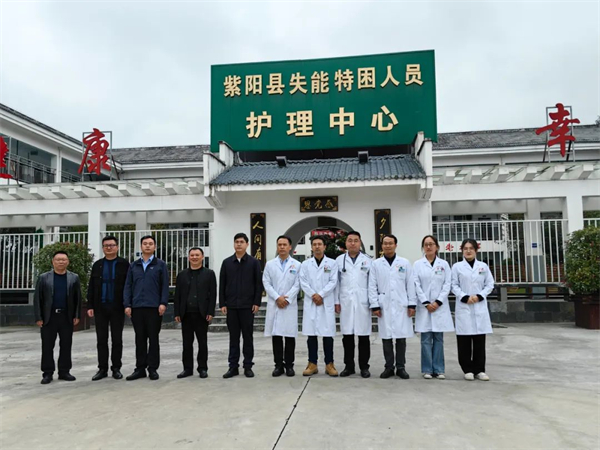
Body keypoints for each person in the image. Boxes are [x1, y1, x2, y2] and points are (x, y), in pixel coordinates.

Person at [368, 234, 416, 379]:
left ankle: (401, 367)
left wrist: (412, 304)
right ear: (382, 246)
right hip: (384, 305)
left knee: (401, 339)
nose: (388, 246)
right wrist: (375, 305)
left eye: (390, 243)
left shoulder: (404, 263)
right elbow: (372, 285)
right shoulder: (376, 264)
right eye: (385, 243)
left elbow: (410, 284)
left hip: (401, 305)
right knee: (386, 338)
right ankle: (389, 367)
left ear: (396, 245)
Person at [123, 235, 169, 381]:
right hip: (137, 307)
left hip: (154, 307)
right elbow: (128, 286)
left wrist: (163, 303)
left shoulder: (160, 265)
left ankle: (153, 368)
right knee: (140, 339)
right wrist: (127, 304)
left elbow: (164, 285)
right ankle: (140, 368)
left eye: (150, 243)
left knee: (153, 339)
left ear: (155, 247)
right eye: (145, 243)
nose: (147, 246)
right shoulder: (134, 265)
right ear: (141, 246)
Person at [34, 250, 81, 384]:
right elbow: (38, 299)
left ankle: (64, 371)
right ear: (53, 262)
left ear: (68, 262)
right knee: (47, 346)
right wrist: (38, 317)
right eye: (58, 259)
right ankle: (47, 372)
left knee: (66, 344)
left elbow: (78, 298)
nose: (61, 262)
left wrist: (77, 315)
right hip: (49, 317)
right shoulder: (44, 277)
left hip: (66, 316)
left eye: (63, 259)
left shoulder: (74, 278)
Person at [220, 233, 263, 378]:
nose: (239, 244)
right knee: (233, 338)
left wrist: (256, 302)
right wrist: (222, 303)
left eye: (242, 242)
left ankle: (248, 366)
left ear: (247, 244)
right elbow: (222, 284)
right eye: (236, 242)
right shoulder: (227, 263)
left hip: (247, 306)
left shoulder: (253, 262)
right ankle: (233, 367)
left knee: (247, 337)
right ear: (234, 244)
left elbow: (258, 284)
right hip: (231, 306)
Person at [87, 236, 130, 381]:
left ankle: (116, 368)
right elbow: (91, 286)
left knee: (117, 339)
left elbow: (128, 285)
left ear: (117, 247)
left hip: (117, 307)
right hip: (100, 307)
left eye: (112, 245)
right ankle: (102, 369)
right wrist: (90, 305)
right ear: (103, 248)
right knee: (101, 339)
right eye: (106, 246)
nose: (109, 248)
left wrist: (127, 304)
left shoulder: (124, 264)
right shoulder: (98, 265)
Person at [451, 238, 495, 381]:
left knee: (479, 340)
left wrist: (480, 296)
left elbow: (490, 284)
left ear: (476, 250)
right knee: (464, 340)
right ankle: (467, 369)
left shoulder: (483, 266)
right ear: (462, 250)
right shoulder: (457, 267)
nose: (468, 251)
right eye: (465, 248)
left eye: (471, 248)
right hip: (464, 305)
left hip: (478, 305)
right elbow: (453, 285)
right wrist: (464, 297)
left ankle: (479, 369)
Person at [413, 235, 454, 380]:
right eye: (426, 244)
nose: (429, 247)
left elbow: (447, 284)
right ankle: (427, 369)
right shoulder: (417, 264)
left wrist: (438, 302)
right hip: (424, 307)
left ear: (437, 246)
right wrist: (425, 302)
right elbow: (416, 284)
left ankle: (439, 369)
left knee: (438, 339)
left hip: (439, 307)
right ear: (423, 247)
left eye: (431, 244)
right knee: (425, 339)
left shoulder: (444, 264)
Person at [174, 247, 217, 379]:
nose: (194, 257)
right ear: (189, 257)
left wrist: (210, 312)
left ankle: (202, 368)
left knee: (202, 343)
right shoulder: (182, 275)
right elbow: (177, 295)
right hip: (186, 314)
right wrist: (177, 312)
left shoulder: (209, 274)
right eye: (192, 255)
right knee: (187, 343)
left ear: (202, 257)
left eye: (197, 255)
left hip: (201, 314)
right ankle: (187, 369)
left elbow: (213, 294)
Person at [335, 231, 373, 378]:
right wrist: (337, 302)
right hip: (346, 302)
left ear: (360, 243)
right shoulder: (339, 261)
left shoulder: (368, 260)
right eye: (350, 240)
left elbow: (372, 284)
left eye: (355, 240)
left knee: (363, 336)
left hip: (363, 302)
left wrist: (373, 302)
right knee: (347, 337)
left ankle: (364, 367)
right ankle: (349, 366)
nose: (352, 243)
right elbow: (336, 283)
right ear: (346, 243)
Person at [299, 235, 339, 377]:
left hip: (325, 302)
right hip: (312, 302)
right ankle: (312, 364)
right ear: (311, 247)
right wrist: (313, 295)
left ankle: (329, 364)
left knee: (328, 335)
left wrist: (321, 295)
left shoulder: (332, 263)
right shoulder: (305, 264)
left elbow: (333, 281)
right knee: (311, 335)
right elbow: (303, 282)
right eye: (314, 244)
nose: (317, 246)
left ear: (324, 246)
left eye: (319, 244)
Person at [262, 235, 301, 377]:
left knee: (290, 336)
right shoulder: (270, 264)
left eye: (285, 244)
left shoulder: (297, 265)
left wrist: (287, 298)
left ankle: (289, 365)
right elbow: (266, 282)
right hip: (275, 303)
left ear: (290, 247)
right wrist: (277, 297)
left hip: (289, 305)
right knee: (277, 336)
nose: (282, 247)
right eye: (280, 245)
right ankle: (278, 365)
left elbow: (298, 284)